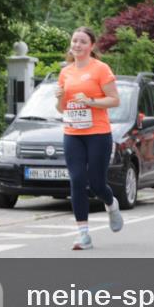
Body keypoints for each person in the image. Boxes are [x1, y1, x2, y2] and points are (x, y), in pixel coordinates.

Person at [54, 26, 123, 250]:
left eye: (83, 41)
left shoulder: (100, 69)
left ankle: (111, 204)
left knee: (96, 184)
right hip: (73, 133)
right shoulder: (65, 72)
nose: (77, 45)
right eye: (75, 41)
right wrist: (59, 98)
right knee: (76, 180)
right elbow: (61, 109)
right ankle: (83, 234)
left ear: (91, 46)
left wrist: (91, 101)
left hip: (97, 134)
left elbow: (115, 100)